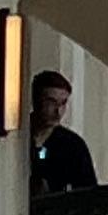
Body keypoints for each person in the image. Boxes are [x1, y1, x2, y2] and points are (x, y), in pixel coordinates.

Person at [29, 68, 99, 205]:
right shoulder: (18, 138)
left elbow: (89, 194)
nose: (58, 111)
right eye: (51, 102)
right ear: (36, 101)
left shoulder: (73, 145)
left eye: (63, 103)